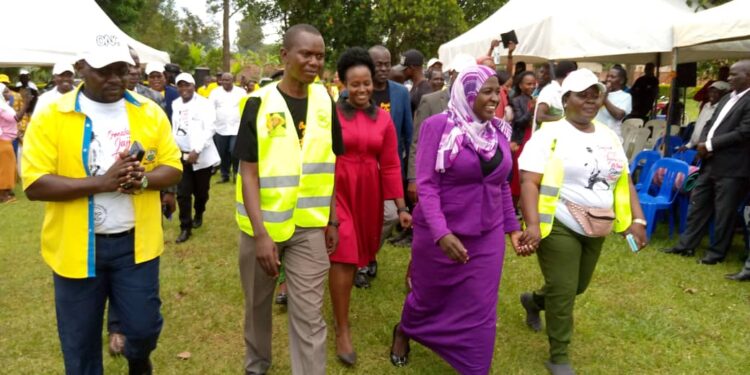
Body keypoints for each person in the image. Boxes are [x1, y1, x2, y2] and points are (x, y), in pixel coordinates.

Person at [21, 33, 182, 374]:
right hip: (76, 249)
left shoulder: (149, 112)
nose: (115, 79)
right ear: (81, 68)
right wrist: (102, 183)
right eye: (103, 70)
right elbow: (35, 184)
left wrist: (142, 180)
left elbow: (172, 167)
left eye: (122, 70)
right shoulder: (52, 115)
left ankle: (138, 358)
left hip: (135, 245)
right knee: (80, 346)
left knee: (142, 329)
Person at [390, 65, 522, 374]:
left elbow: (500, 184)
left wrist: (512, 229)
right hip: (440, 232)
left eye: (497, 91)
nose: (494, 98)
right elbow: (427, 184)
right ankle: (405, 329)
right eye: (487, 91)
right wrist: (441, 233)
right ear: (467, 93)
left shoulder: (498, 131)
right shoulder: (439, 126)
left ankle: (474, 366)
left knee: (480, 306)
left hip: (487, 235)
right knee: (427, 297)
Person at [517, 68, 648, 375]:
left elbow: (623, 181)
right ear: (566, 99)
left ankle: (534, 301)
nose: (591, 101)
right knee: (563, 289)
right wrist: (532, 225)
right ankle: (559, 356)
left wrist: (638, 220)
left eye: (595, 95)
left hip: (598, 223)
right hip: (559, 223)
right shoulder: (549, 134)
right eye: (583, 95)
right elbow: (528, 182)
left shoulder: (608, 136)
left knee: (576, 286)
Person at [233, 24, 344, 375]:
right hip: (262, 226)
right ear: (284, 56)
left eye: (320, 56)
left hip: (309, 227)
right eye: (306, 54)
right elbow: (247, 173)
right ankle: (257, 364)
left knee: (309, 313)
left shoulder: (327, 101)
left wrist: (332, 218)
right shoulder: (258, 103)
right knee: (258, 303)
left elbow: (331, 164)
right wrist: (262, 234)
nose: (314, 62)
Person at [327, 47, 412, 366]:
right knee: (344, 254)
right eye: (355, 84)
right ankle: (342, 329)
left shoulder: (385, 119)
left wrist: (401, 206)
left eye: (366, 84)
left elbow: (390, 163)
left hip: (369, 191)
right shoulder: (331, 115)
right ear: (343, 84)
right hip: (339, 187)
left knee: (361, 249)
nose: (362, 90)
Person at [662, 60, 750, 273]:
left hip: (733, 167)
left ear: (748, 76)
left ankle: (716, 253)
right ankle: (686, 245)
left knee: (724, 212)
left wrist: (710, 144)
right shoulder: (728, 97)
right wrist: (703, 142)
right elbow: (710, 123)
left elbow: (744, 131)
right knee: (698, 204)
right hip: (710, 161)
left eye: (734, 75)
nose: (728, 78)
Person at [358, 45, 413, 287]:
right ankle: (359, 262)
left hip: (391, 169)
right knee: (362, 216)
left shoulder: (401, 93)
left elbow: (409, 134)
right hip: (361, 170)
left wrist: (412, 175)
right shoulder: (356, 91)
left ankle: (368, 254)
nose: (383, 68)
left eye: (386, 63)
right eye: (378, 64)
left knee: (389, 216)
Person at [172, 73, 220, 243]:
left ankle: (199, 212)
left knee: (201, 192)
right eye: (180, 85)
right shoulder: (175, 104)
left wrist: (197, 150)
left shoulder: (204, 104)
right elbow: (175, 128)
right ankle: (185, 227)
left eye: (187, 85)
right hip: (181, 155)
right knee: (183, 193)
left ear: (194, 85)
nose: (184, 89)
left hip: (201, 156)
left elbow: (210, 129)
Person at [210, 72, 247, 183]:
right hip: (220, 128)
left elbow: (245, 107)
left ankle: (236, 173)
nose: (225, 82)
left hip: (236, 127)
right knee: (222, 153)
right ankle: (224, 175)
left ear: (233, 80)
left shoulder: (241, 92)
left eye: (228, 80)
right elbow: (210, 108)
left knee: (233, 151)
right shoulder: (215, 93)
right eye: (223, 80)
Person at [510, 71, 537, 205]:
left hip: (531, 140)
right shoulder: (516, 101)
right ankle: (514, 206)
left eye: (533, 83)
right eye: (528, 84)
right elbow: (518, 122)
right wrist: (530, 112)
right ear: (520, 85)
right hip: (521, 141)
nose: (532, 86)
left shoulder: (532, 99)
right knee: (518, 175)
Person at [681, 81, 730, 150]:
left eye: (716, 92)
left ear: (723, 94)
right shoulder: (706, 106)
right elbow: (699, 126)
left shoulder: (723, 109)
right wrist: (689, 145)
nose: (712, 94)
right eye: (710, 92)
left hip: (709, 149)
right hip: (697, 146)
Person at [534, 61, 577, 127]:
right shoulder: (549, 91)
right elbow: (540, 117)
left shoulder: (564, 90)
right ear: (569, 75)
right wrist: (566, 119)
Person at [595, 65, 632, 138]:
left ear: (621, 80)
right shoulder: (600, 92)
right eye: (607, 76)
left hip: (612, 137)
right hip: (596, 134)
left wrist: (604, 97)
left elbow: (619, 115)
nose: (608, 79)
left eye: (612, 77)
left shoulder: (625, 96)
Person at [0, 83, 17, 203]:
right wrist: (26, 104)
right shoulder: (1, 108)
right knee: (5, 168)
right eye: (5, 92)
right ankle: (3, 196)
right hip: (3, 140)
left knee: (8, 167)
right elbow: (16, 118)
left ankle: (6, 192)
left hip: (6, 140)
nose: (9, 93)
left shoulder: (4, 106)